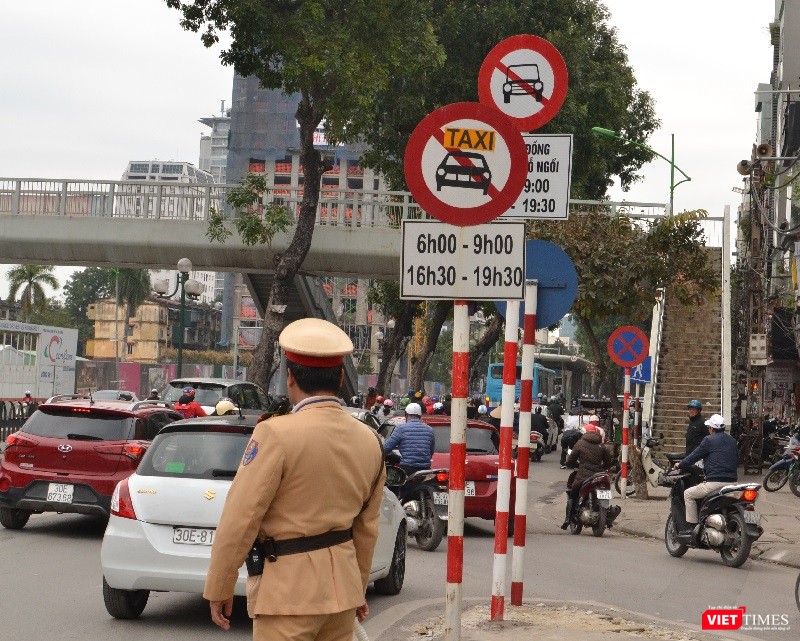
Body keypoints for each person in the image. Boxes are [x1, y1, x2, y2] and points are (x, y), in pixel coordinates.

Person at [203, 318, 385, 641]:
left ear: (290, 377)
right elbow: (367, 528)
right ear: (341, 377)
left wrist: (220, 584)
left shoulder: (274, 434)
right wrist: (355, 588)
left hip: (286, 593)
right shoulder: (370, 440)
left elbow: (242, 516)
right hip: (341, 595)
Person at [674, 414, 738, 535]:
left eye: (709, 427)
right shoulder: (732, 441)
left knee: (688, 494)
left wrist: (680, 464)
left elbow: (694, 456)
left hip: (714, 483)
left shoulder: (708, 440)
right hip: (733, 483)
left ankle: (692, 528)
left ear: (712, 429)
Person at [562, 424, 613, 529]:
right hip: (598, 475)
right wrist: (601, 467)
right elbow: (608, 462)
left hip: (583, 475)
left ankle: (568, 519)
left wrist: (571, 464)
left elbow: (570, 460)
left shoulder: (580, 443)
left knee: (573, 494)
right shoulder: (602, 446)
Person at [382, 402, 435, 478]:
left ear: (406, 415)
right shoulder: (429, 429)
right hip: (425, 469)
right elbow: (431, 451)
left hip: (407, 469)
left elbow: (387, 447)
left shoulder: (401, 429)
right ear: (420, 415)